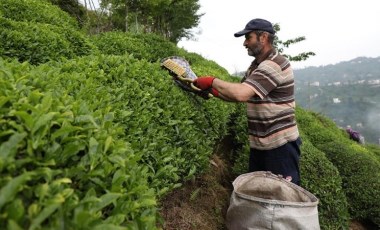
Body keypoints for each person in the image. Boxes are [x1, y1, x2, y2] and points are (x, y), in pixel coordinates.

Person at [193, 18, 302, 185]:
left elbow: (241, 94)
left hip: (280, 147)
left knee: (282, 199)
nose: (245, 43)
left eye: (248, 38)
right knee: (259, 195)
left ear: (263, 37)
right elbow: (240, 93)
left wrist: (212, 81)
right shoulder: (256, 66)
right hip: (260, 145)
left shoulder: (275, 64)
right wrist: (212, 91)